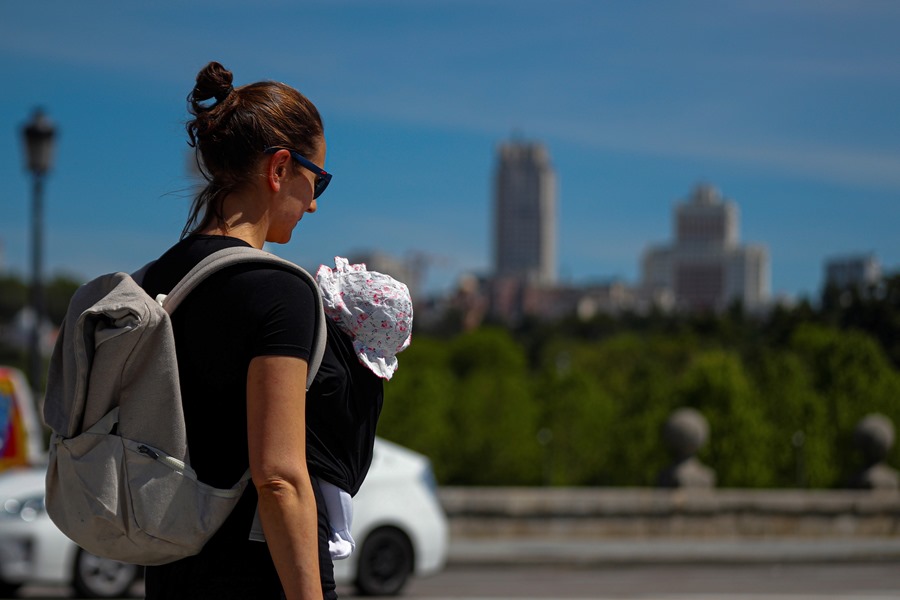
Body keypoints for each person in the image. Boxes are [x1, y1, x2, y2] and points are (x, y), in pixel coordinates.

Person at [141, 61, 333, 600]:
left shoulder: (153, 278)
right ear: (279, 169)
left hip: (170, 567)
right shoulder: (278, 290)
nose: (314, 202)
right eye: (315, 178)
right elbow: (278, 476)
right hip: (254, 573)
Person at [310, 257, 413, 560]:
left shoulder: (338, 367)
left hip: (333, 466)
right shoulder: (354, 372)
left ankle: (342, 534)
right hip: (338, 462)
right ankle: (341, 532)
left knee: (334, 488)